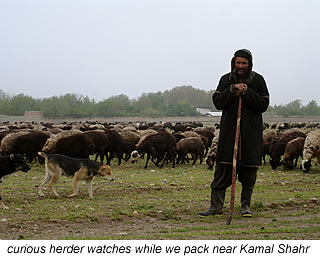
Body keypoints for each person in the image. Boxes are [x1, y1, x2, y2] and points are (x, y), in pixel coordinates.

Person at [199, 49, 269, 217]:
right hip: (229, 134)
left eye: (244, 63)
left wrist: (247, 92)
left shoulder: (258, 81)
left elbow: (263, 104)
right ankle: (215, 206)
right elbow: (218, 102)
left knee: (248, 173)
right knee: (222, 169)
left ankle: (245, 206)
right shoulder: (226, 80)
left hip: (250, 135)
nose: (240, 66)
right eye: (238, 62)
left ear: (249, 64)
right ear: (233, 63)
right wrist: (231, 90)